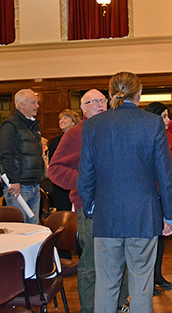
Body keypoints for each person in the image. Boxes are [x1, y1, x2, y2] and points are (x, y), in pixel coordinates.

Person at [79, 72, 172, 313]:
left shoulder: (92, 125)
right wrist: (170, 214)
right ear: (140, 93)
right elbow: (165, 175)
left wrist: (91, 206)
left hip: (106, 215)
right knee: (141, 284)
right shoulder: (152, 123)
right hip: (143, 216)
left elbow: (86, 175)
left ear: (110, 95)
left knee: (106, 285)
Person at [48, 89, 109, 313]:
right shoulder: (75, 133)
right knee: (91, 262)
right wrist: (84, 182)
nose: (100, 104)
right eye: (93, 102)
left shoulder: (114, 126)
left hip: (117, 204)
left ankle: (121, 304)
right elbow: (54, 170)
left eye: (103, 100)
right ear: (83, 108)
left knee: (118, 259)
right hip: (90, 206)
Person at [143, 102, 172, 292]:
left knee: (160, 239)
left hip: (164, 194)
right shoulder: (148, 137)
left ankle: (157, 275)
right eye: (164, 116)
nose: (168, 120)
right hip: (152, 194)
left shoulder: (167, 136)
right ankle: (147, 281)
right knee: (150, 241)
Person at [0, 88, 45, 223]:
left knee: (33, 228)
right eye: (33, 103)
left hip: (34, 185)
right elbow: (6, 155)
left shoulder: (34, 127)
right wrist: (14, 180)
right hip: (19, 187)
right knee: (19, 229)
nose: (37, 106)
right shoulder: (10, 126)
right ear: (21, 105)